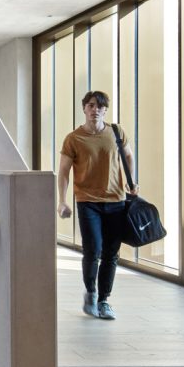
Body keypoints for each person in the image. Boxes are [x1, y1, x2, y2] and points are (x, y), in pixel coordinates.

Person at [57, 91, 137, 321]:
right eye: (91, 105)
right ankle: (91, 292)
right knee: (93, 250)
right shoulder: (73, 138)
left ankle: (103, 300)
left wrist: (131, 181)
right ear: (84, 108)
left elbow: (129, 157)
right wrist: (62, 201)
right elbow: (63, 172)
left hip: (116, 201)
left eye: (100, 107)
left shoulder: (116, 132)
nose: (95, 110)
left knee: (111, 253)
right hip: (87, 202)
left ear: (105, 110)